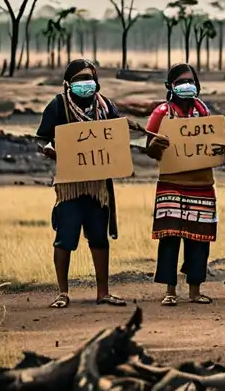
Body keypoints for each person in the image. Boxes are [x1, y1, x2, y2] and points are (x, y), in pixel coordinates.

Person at [35, 59, 128, 309]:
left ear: (97, 81)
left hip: (98, 186)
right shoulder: (58, 106)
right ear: (68, 83)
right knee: (65, 238)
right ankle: (62, 293)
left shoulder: (106, 106)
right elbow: (41, 137)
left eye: (89, 78)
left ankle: (103, 292)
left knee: (99, 237)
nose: (85, 84)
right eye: (78, 80)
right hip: (70, 186)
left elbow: (118, 134)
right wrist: (49, 150)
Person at [146, 63, 221, 306]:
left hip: (202, 183)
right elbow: (150, 150)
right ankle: (170, 291)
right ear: (170, 86)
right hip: (171, 183)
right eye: (180, 82)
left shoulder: (205, 114)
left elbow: (215, 145)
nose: (186, 86)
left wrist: (218, 149)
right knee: (170, 237)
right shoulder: (161, 113)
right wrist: (155, 147)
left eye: (190, 81)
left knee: (199, 239)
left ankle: (195, 290)